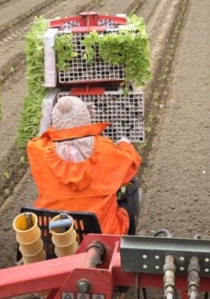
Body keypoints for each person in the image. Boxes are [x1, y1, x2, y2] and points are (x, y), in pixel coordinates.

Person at [27, 95, 141, 235]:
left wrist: (66, 121)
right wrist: (125, 143)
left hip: (55, 234)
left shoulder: (38, 153)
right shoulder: (107, 151)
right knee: (131, 188)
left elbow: (43, 137)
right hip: (102, 236)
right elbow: (132, 163)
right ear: (86, 119)